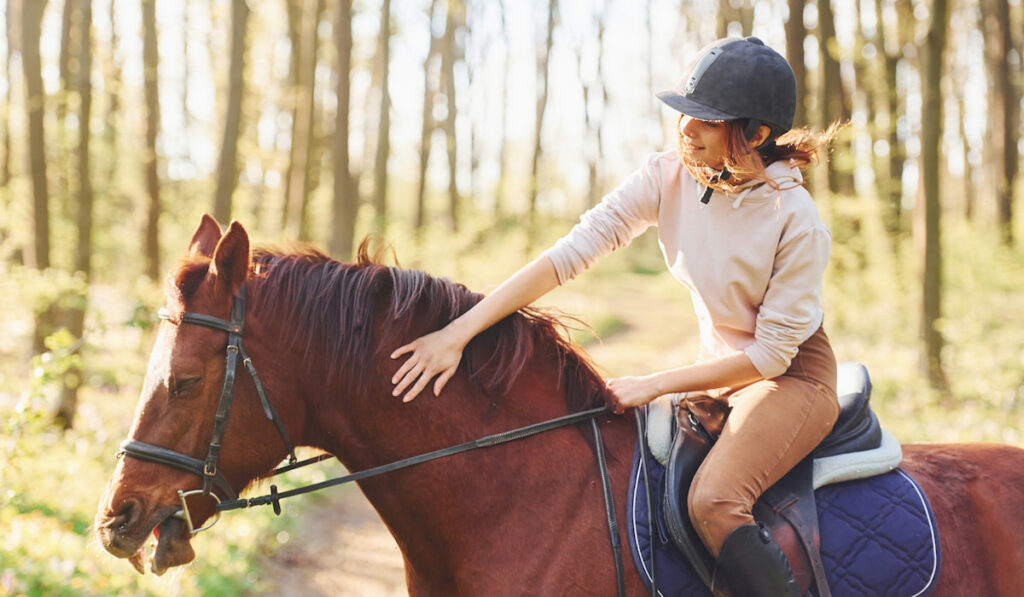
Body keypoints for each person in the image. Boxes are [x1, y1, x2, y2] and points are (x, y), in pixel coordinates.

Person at [390, 36, 841, 597]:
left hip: (791, 380)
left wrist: (652, 384)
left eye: (706, 120)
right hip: (722, 368)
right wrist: (459, 332)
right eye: (684, 112)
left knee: (714, 501)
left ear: (754, 134)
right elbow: (570, 253)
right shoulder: (669, 175)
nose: (685, 128)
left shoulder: (796, 218)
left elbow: (772, 355)